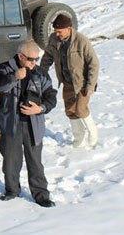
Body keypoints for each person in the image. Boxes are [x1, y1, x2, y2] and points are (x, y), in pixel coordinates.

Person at [0, 41, 57, 207]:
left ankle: (41, 195)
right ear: (21, 56)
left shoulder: (41, 73)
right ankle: (12, 190)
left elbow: (51, 96)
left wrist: (40, 108)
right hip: (10, 124)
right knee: (10, 161)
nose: (34, 63)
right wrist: (15, 76)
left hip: (33, 125)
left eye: (36, 59)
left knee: (35, 162)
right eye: (30, 59)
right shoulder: (5, 68)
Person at [40, 14, 99, 148]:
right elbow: (48, 55)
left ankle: (93, 133)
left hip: (82, 83)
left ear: (68, 28)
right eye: (55, 31)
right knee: (70, 111)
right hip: (67, 82)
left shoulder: (81, 41)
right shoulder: (54, 39)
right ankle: (79, 137)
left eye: (59, 31)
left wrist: (90, 86)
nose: (57, 34)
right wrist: (41, 72)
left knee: (80, 109)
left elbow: (93, 64)